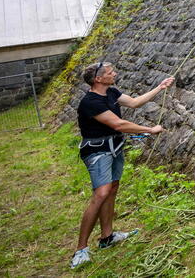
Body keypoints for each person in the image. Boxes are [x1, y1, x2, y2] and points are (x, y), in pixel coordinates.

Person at [70, 62, 174, 269]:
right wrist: (150, 129)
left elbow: (135, 103)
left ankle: (107, 237)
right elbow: (118, 124)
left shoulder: (112, 91)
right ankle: (81, 249)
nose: (114, 74)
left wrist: (160, 87)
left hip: (114, 147)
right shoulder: (90, 102)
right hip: (97, 151)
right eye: (110, 73)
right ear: (98, 79)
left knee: (112, 189)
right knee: (101, 193)